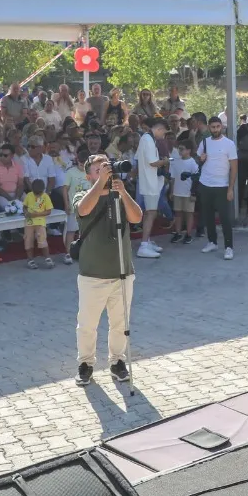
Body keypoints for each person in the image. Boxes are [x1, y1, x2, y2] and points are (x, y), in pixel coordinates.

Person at [73, 153, 142, 386]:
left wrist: (122, 192)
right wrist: (102, 184)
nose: (104, 170)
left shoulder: (119, 194)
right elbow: (83, 210)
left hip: (122, 272)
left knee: (121, 323)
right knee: (87, 325)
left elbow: (136, 217)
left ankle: (117, 362)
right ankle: (85, 364)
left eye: (106, 166)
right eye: (97, 169)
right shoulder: (82, 194)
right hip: (92, 274)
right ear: (88, 175)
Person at [195, 115, 238, 259]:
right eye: (213, 127)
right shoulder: (205, 142)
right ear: (209, 128)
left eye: (218, 127)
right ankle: (212, 241)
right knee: (208, 216)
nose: (215, 129)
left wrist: (231, 188)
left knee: (225, 218)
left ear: (222, 127)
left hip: (222, 185)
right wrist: (200, 159)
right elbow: (198, 160)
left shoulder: (229, 144)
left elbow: (234, 167)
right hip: (205, 184)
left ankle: (229, 247)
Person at [135, 118, 168, 258]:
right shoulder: (148, 140)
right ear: (159, 129)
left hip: (149, 181)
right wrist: (165, 161)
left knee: (150, 212)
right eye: (164, 133)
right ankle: (143, 245)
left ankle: (147, 241)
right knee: (151, 212)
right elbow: (153, 163)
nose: (163, 136)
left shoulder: (146, 139)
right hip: (150, 183)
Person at [61, 148, 90, 265]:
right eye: (80, 163)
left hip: (88, 207)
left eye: (85, 164)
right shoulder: (70, 172)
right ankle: (68, 253)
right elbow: (65, 189)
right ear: (77, 161)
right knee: (71, 231)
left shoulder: (91, 172)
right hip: (74, 207)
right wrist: (66, 204)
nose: (82, 166)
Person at [23, 179, 55, 269]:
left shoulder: (45, 197)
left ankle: (48, 258)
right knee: (28, 240)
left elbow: (48, 211)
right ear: (32, 190)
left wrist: (37, 214)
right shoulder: (29, 195)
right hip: (29, 223)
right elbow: (24, 206)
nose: (37, 195)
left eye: (39, 193)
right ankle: (30, 260)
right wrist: (26, 213)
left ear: (43, 190)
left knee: (42, 240)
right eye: (35, 193)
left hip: (40, 222)